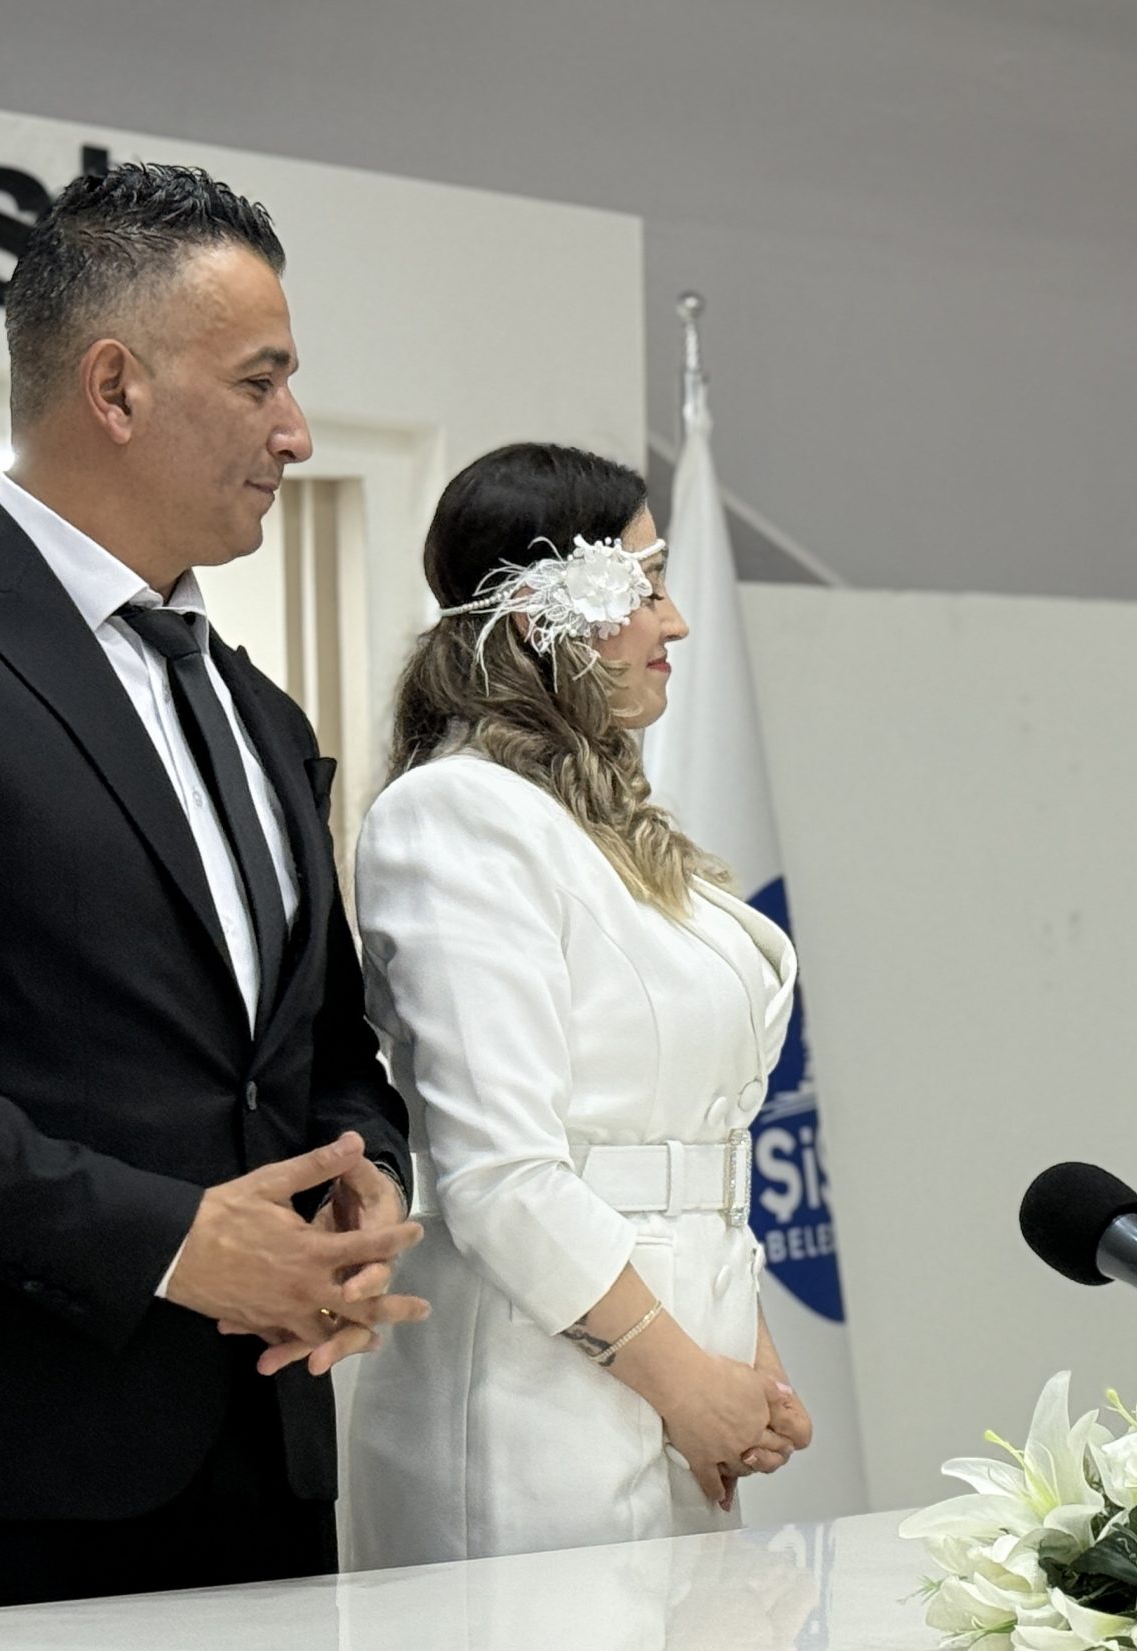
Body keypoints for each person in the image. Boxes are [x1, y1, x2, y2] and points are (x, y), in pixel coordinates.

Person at [0, 163, 427, 1623]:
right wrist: (169, 1244)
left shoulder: (259, 711)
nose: (296, 432)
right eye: (262, 382)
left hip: (263, 1458)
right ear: (115, 387)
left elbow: (320, 1051)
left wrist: (360, 1177)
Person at [346, 443, 811, 1567]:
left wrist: (744, 1357)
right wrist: (685, 1381)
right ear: (539, 619)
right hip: (532, 1398)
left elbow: (691, 1145)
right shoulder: (454, 817)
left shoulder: (604, 829)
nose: (674, 622)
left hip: (681, 1364)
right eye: (644, 586)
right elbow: (499, 1175)